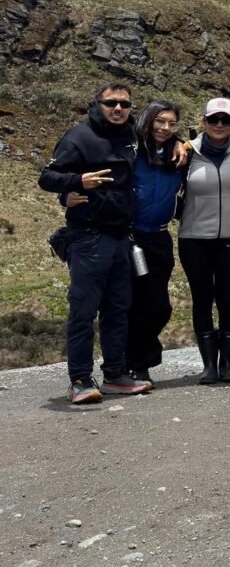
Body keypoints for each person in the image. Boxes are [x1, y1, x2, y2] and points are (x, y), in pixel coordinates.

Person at [38, 82, 149, 404]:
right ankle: (80, 379)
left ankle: (114, 374)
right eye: (110, 103)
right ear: (97, 104)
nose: (117, 109)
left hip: (121, 237)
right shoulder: (79, 137)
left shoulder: (130, 136)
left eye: (124, 104)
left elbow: (161, 137)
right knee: (84, 310)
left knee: (118, 309)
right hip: (88, 236)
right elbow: (47, 177)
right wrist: (76, 183)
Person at [177, 98, 230, 384]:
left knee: (227, 299)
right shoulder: (187, 153)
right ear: (203, 122)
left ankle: (228, 364)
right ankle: (209, 365)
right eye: (214, 120)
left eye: (226, 120)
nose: (220, 125)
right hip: (194, 238)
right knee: (202, 299)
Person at [124, 100, 187, 389]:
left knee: (159, 306)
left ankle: (131, 361)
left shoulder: (178, 155)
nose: (164, 128)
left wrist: (182, 142)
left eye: (171, 123)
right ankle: (135, 365)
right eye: (159, 121)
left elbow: (227, 136)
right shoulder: (130, 148)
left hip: (159, 238)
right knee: (133, 303)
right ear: (147, 120)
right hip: (130, 236)